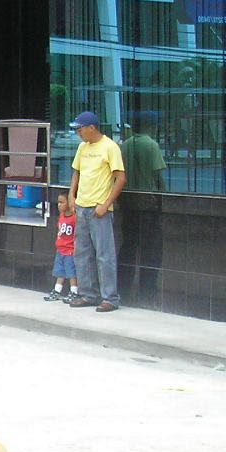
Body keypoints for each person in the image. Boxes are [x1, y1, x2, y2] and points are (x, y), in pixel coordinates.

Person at [67, 111, 126, 312]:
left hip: (99, 208)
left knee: (104, 254)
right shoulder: (82, 148)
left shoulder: (110, 147)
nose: (79, 133)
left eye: (80, 129)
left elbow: (120, 178)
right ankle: (88, 294)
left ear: (91, 128)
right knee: (82, 253)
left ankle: (110, 297)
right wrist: (71, 196)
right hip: (82, 206)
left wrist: (106, 203)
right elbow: (76, 172)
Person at [120, 118, 166, 301]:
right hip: (147, 204)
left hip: (128, 203)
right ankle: (147, 292)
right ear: (149, 126)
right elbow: (158, 176)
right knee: (150, 250)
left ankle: (124, 289)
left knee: (128, 247)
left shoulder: (125, 145)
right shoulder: (152, 145)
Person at [44, 191, 78, 302]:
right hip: (60, 249)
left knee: (71, 272)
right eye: (58, 202)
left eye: (62, 202)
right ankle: (57, 291)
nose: (59, 205)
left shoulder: (75, 218)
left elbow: (77, 234)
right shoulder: (61, 216)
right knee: (60, 272)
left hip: (70, 250)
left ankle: (74, 292)